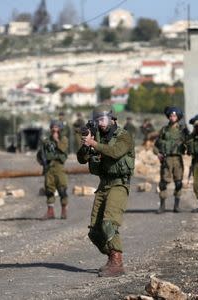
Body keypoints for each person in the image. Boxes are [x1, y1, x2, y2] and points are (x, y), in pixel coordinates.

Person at [77, 104, 135, 277]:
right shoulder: (97, 138)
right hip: (104, 185)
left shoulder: (124, 136)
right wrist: (87, 144)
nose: (100, 123)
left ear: (112, 118)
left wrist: (94, 142)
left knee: (108, 223)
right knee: (95, 231)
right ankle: (111, 257)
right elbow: (81, 159)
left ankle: (117, 262)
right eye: (97, 120)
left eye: (102, 119)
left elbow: (115, 152)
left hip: (119, 184)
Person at [153, 106, 188, 214]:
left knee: (178, 183)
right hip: (166, 159)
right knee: (163, 183)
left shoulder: (182, 130)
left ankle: (176, 206)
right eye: (171, 115)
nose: (172, 117)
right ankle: (162, 206)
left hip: (177, 159)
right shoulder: (164, 130)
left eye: (174, 115)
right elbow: (156, 146)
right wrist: (158, 154)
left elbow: (189, 142)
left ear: (178, 117)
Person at [37, 120, 69, 220]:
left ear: (60, 129)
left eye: (56, 128)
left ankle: (64, 211)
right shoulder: (46, 141)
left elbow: (63, 149)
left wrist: (56, 140)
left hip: (59, 167)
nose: (54, 130)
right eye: (53, 128)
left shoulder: (63, 139)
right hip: (49, 167)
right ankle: (50, 212)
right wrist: (42, 162)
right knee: (49, 189)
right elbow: (40, 154)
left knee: (62, 189)